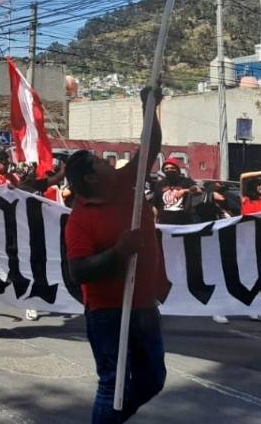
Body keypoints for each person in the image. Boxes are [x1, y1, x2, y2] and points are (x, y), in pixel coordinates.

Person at [65, 146, 165, 423]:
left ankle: (110, 419)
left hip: (144, 305)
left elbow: (150, 145)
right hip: (108, 311)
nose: (108, 163)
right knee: (112, 384)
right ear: (91, 179)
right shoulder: (80, 219)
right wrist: (118, 252)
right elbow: (79, 271)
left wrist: (151, 104)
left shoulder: (122, 183)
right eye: (99, 162)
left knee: (153, 379)